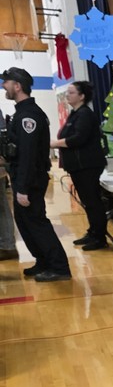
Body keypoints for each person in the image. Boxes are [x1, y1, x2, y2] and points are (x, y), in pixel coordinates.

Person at [2, 67, 71, 282]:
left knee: (37, 223)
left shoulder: (29, 116)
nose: (4, 86)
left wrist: (22, 188)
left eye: (7, 82)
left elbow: (29, 156)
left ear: (17, 86)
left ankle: (59, 267)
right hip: (23, 177)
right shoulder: (21, 113)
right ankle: (43, 261)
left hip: (30, 179)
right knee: (25, 224)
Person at [51, 81, 108, 250]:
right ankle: (92, 232)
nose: (67, 95)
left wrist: (55, 143)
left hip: (87, 165)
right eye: (67, 92)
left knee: (93, 201)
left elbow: (78, 138)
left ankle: (99, 238)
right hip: (78, 166)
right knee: (87, 201)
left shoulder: (85, 114)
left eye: (71, 92)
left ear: (82, 96)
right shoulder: (75, 114)